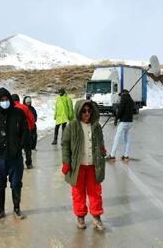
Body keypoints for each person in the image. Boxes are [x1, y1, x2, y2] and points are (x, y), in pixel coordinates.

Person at [0, 88, 30, 220]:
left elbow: (25, 131)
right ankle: (0, 209)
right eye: (2, 100)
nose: (5, 102)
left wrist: (20, 145)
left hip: (15, 158)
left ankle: (17, 209)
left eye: (6, 99)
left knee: (16, 183)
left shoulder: (19, 113)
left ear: (10, 99)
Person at [61, 99, 106, 231]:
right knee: (78, 192)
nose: (87, 114)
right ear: (79, 112)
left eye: (89, 111)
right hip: (78, 166)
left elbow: (100, 141)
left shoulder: (96, 126)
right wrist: (66, 162)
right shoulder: (72, 126)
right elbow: (65, 145)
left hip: (93, 165)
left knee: (95, 192)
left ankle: (97, 216)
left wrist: (102, 149)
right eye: (84, 111)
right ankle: (80, 216)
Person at [105, 89, 134, 162]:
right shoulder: (131, 99)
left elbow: (120, 110)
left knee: (117, 138)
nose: (120, 97)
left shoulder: (124, 98)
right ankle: (126, 155)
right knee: (127, 139)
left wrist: (116, 119)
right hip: (130, 122)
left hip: (123, 122)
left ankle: (112, 155)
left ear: (123, 94)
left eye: (120, 95)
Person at [11, 94, 35, 169]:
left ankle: (18, 164)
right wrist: (30, 128)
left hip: (15, 132)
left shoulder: (10, 108)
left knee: (17, 148)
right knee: (27, 148)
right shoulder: (25, 107)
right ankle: (29, 163)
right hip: (25, 130)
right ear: (18, 100)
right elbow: (31, 119)